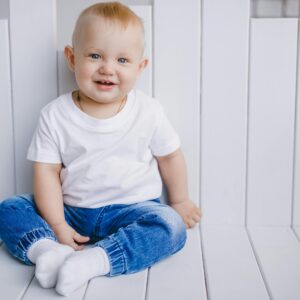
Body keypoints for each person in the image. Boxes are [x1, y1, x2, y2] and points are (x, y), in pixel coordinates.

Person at [0, 1, 202, 296]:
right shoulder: (55, 115)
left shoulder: (148, 111)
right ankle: (46, 251)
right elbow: (46, 172)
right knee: (10, 208)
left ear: (140, 67)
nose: (107, 68)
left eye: (122, 60)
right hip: (72, 211)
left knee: (171, 225)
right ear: (72, 58)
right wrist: (56, 223)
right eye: (95, 55)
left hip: (133, 209)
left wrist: (180, 200)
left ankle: (97, 260)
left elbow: (170, 157)